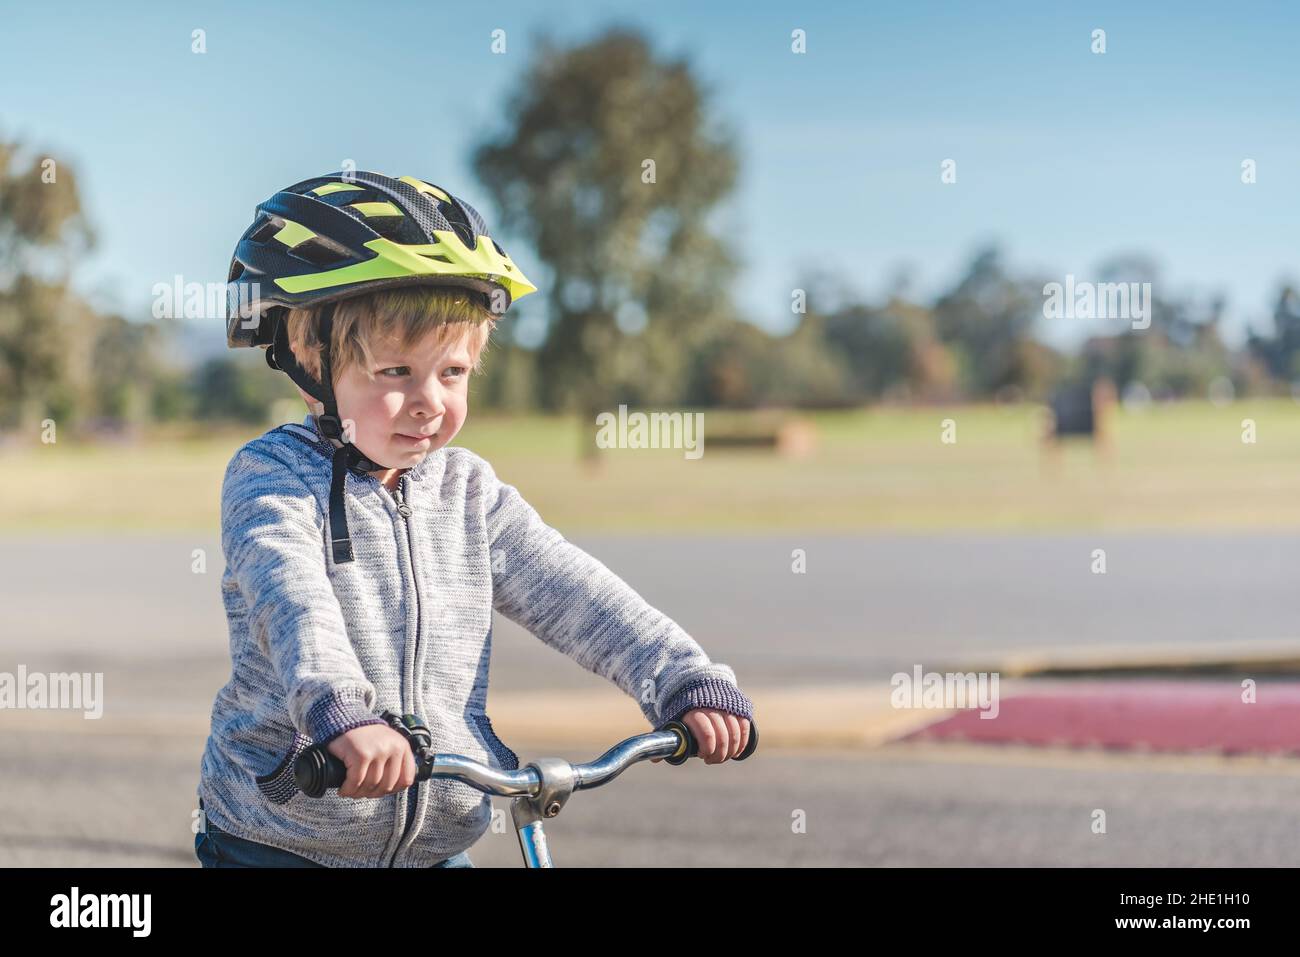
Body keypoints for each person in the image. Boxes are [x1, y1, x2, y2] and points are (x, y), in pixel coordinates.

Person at [195, 171, 756, 867]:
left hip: (437, 840)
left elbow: (572, 589)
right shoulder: (272, 479)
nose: (429, 401)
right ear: (312, 360)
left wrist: (678, 675)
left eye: (452, 372)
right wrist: (342, 712)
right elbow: (292, 600)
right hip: (283, 837)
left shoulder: (468, 491)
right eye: (396, 372)